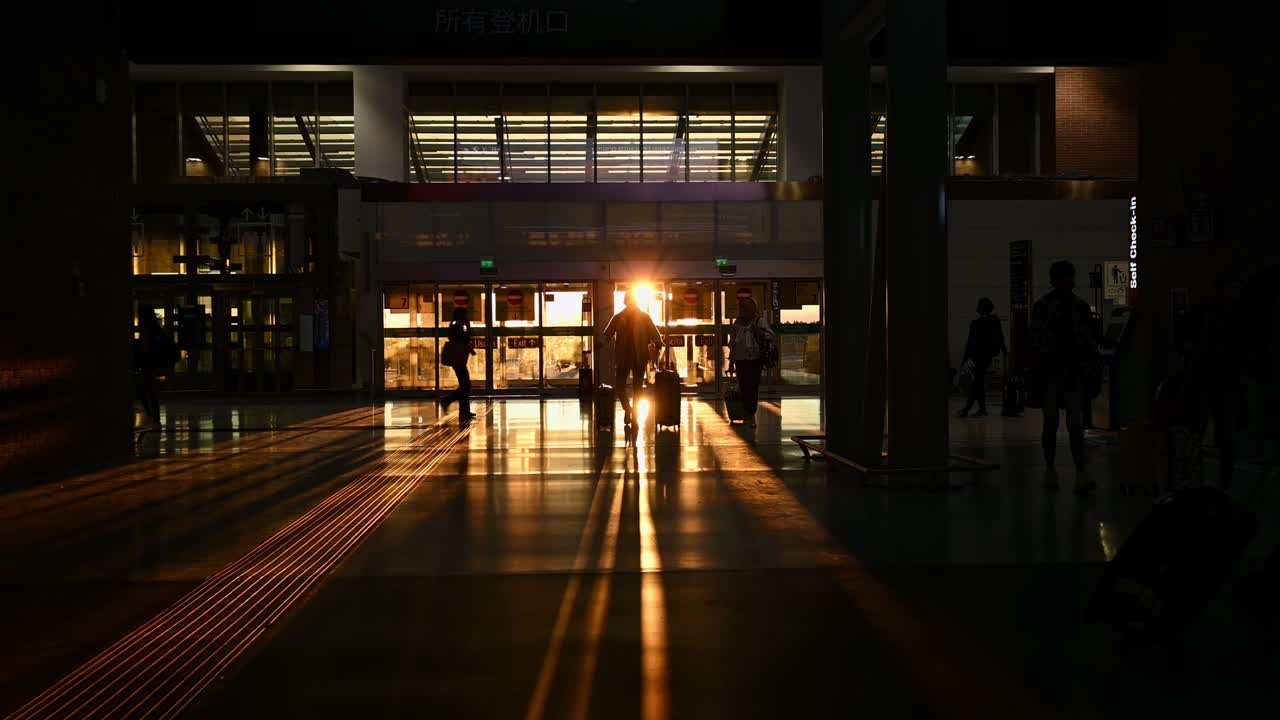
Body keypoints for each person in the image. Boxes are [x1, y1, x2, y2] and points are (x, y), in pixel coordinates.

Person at [1029, 260, 1100, 494]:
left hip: (1066, 372)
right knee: (1057, 422)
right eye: (1063, 279)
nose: (1066, 284)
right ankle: (1065, 471)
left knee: (1071, 423)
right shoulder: (1070, 307)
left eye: (1068, 279)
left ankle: (1073, 471)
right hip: (1058, 372)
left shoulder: (1053, 307)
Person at [1194, 272, 1248, 489]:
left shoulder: (1210, 316)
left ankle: (1196, 476)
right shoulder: (1236, 318)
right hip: (1224, 381)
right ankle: (1223, 481)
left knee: (1203, 431)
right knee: (1225, 435)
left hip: (1213, 380)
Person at [601, 290, 664, 426]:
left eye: (632, 301)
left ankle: (633, 413)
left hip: (638, 356)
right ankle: (628, 409)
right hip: (624, 356)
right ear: (626, 302)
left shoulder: (643, 317)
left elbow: (654, 332)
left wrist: (658, 342)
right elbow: (608, 333)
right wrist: (600, 342)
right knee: (620, 386)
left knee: (637, 388)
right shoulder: (619, 317)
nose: (631, 303)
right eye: (629, 301)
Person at [727, 296, 777, 429]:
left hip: (755, 359)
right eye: (741, 307)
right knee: (744, 386)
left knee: (752, 387)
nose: (742, 310)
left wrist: (758, 332)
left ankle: (750, 413)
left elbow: (771, 336)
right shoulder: (737, 323)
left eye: (744, 307)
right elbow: (733, 344)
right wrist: (731, 361)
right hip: (741, 359)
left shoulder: (759, 322)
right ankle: (747, 413)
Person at [957, 297, 1007, 418]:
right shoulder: (995, 321)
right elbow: (1000, 338)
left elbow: (970, 343)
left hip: (977, 356)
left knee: (977, 382)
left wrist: (964, 359)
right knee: (978, 382)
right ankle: (981, 409)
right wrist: (1004, 351)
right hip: (987, 356)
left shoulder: (976, 324)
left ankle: (967, 409)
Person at [133, 303, 173, 431]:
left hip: (148, 365)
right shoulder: (156, 329)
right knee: (151, 392)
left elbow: (145, 349)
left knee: (144, 391)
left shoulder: (146, 330)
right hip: (153, 364)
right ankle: (154, 418)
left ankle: (153, 417)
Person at [441, 306, 477, 421]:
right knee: (465, 385)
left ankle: (464, 410)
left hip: (457, 357)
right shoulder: (461, 324)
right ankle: (449, 401)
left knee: (465, 385)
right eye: (466, 314)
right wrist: (467, 325)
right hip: (458, 357)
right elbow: (464, 337)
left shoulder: (455, 323)